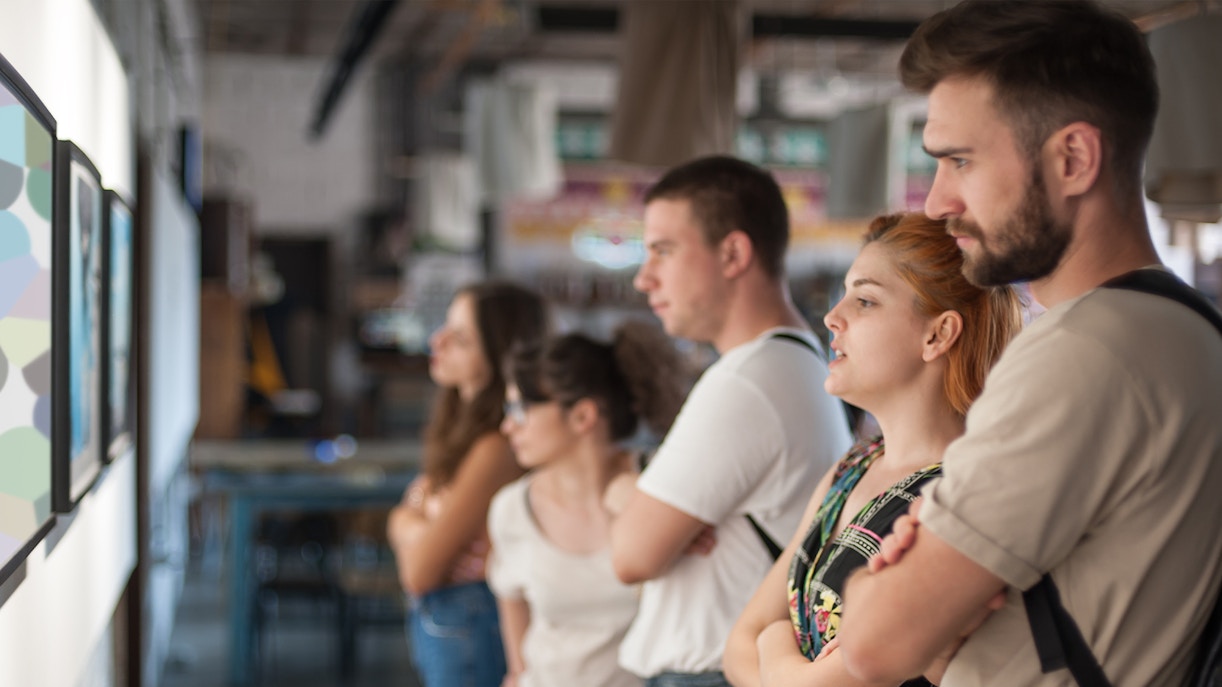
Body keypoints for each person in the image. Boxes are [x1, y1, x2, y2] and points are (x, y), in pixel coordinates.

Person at [833, 3, 1222, 686]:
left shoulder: (1081, 354)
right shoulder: (1189, 329)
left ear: (1073, 158)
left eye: (960, 161)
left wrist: (876, 583)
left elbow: (870, 645)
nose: (936, 201)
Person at [723, 212, 1023, 687]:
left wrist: (772, 642)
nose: (831, 317)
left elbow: (774, 646)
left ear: (937, 335)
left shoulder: (962, 493)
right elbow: (739, 641)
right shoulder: (854, 465)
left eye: (864, 300)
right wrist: (771, 648)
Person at [609, 155, 854, 687]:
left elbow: (631, 554)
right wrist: (641, 495)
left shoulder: (746, 380)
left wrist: (628, 492)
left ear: (734, 253)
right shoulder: (793, 362)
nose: (644, 278)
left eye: (664, 251)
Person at [488, 321, 690, 687]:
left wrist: (630, 495)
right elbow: (517, 659)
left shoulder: (662, 488)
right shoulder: (510, 510)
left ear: (583, 415)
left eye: (520, 409)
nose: (507, 426)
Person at [387, 280, 549, 687]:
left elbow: (419, 571)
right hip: (451, 626)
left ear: (499, 354)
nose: (436, 341)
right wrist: (412, 522)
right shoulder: (464, 432)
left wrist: (412, 519)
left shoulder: (497, 445)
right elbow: (403, 517)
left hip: (472, 628)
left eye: (460, 339)